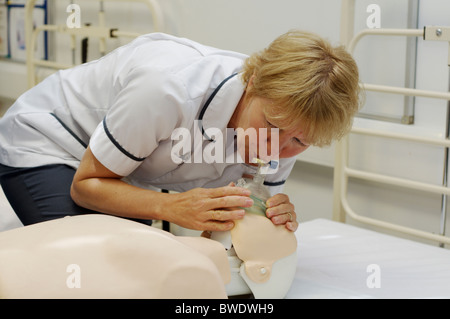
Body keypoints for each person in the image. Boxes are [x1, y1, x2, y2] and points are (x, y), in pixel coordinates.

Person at [0, 30, 361, 232]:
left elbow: (238, 220)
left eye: (300, 141)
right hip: (48, 140)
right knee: (92, 257)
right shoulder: (168, 88)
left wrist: (272, 219)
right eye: (273, 125)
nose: (274, 149)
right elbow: (86, 186)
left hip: (123, 172)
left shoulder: (291, 122)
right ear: (253, 82)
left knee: (145, 254)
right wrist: (169, 205)